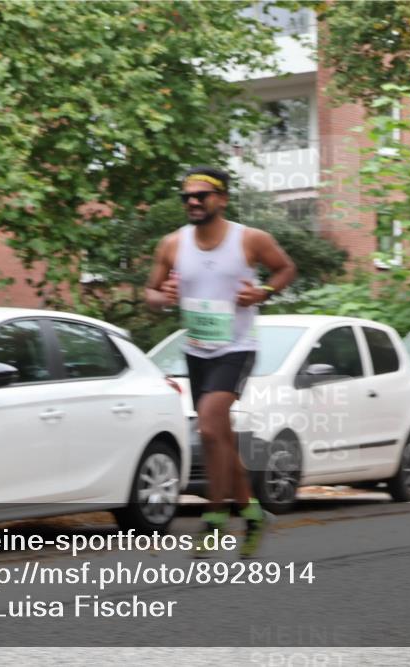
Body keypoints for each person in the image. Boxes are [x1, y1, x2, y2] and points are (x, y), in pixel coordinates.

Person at [146, 166, 296, 557]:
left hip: (237, 347)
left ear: (222, 199)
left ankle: (214, 516)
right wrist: (164, 296)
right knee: (222, 437)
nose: (193, 202)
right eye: (187, 197)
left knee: (211, 429)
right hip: (197, 350)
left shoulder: (249, 239)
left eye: (202, 195)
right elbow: (151, 295)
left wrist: (262, 292)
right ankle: (251, 511)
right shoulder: (172, 244)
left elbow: (286, 268)